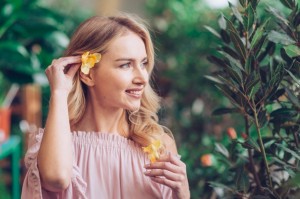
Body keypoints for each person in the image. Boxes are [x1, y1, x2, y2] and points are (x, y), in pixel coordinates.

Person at [21, 13, 190, 199]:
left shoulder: (158, 144)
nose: (142, 78)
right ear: (88, 74)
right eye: (125, 65)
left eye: (143, 63)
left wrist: (182, 192)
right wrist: (59, 93)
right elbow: (56, 178)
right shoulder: (56, 145)